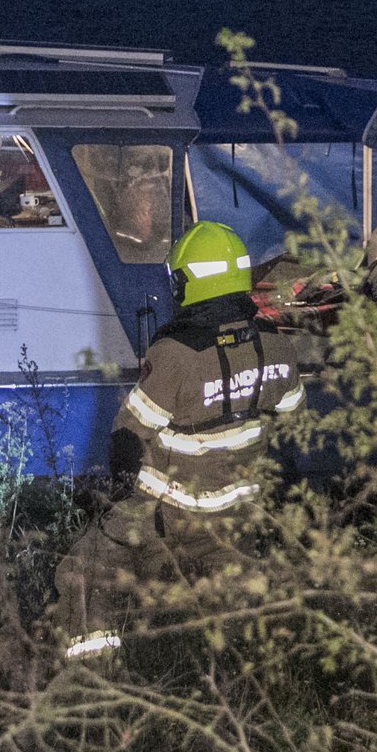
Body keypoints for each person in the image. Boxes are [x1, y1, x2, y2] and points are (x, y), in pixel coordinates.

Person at [48, 221, 306, 661]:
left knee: (84, 573)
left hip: (168, 513)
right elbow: (293, 429)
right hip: (237, 517)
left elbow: (128, 439)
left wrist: (111, 496)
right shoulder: (278, 348)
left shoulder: (175, 355)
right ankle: (246, 677)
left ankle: (90, 680)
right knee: (240, 612)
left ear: (188, 283)